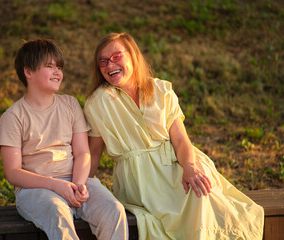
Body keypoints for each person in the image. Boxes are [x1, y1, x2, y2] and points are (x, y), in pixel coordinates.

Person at [84, 32, 264, 240]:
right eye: (103, 61)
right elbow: (93, 153)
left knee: (200, 195)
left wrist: (190, 167)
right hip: (142, 181)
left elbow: (181, 140)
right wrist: (80, 187)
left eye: (116, 56)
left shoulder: (161, 89)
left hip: (178, 165)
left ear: (133, 56)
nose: (109, 64)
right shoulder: (98, 102)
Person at [0, 39, 128, 240]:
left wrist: (79, 184)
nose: (58, 72)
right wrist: (56, 186)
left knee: (113, 210)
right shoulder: (13, 116)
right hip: (37, 190)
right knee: (58, 212)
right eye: (50, 66)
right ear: (29, 72)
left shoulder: (70, 105)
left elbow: (83, 152)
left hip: (75, 181)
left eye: (59, 67)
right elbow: (13, 173)